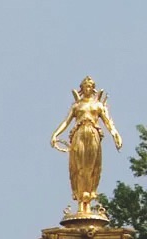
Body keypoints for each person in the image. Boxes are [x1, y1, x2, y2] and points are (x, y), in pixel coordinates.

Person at [50, 76, 122, 219]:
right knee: (79, 167)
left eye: (90, 86)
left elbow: (109, 123)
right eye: (85, 86)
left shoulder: (98, 106)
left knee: (91, 167)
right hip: (79, 135)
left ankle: (88, 197)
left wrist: (116, 135)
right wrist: (55, 134)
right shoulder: (77, 106)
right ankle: (80, 198)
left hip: (93, 135)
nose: (88, 88)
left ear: (93, 89)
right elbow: (66, 121)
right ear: (81, 89)